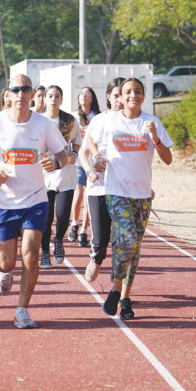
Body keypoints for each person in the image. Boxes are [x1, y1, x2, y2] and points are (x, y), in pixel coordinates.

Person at [0, 74, 68, 329]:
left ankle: (22, 310)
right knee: (7, 261)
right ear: (9, 94)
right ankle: (3, 272)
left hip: (36, 199)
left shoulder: (44, 124)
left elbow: (64, 154)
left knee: (32, 255)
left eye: (26, 89)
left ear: (32, 94)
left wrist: (56, 162)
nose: (21, 94)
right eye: (16, 89)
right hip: (2, 202)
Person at [85, 78, 173, 320]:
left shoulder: (151, 121)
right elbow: (90, 140)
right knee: (129, 239)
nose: (132, 95)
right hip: (116, 191)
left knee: (134, 250)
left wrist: (155, 138)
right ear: (120, 97)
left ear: (143, 96)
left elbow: (168, 158)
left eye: (137, 91)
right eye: (127, 92)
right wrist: (97, 157)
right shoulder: (108, 120)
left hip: (142, 194)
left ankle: (124, 298)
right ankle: (115, 289)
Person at [79, 78, 125, 283]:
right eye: (116, 95)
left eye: (124, 95)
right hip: (99, 186)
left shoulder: (133, 122)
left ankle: (117, 283)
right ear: (108, 97)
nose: (121, 100)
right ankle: (96, 259)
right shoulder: (99, 120)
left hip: (124, 189)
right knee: (100, 238)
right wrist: (90, 170)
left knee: (121, 240)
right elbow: (83, 153)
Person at [40, 85, 82, 268]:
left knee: (63, 215)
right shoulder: (37, 120)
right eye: (50, 96)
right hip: (42, 175)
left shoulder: (69, 120)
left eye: (57, 96)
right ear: (44, 99)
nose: (53, 99)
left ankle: (58, 240)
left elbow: (76, 143)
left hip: (65, 174)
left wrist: (74, 154)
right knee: (45, 219)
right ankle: (44, 252)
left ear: (61, 99)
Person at [68, 87, 101, 248]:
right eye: (81, 93)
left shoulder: (98, 117)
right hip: (78, 161)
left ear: (92, 98)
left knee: (89, 197)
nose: (84, 96)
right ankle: (74, 223)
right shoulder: (73, 117)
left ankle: (83, 231)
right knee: (79, 194)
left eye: (87, 93)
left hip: (93, 162)